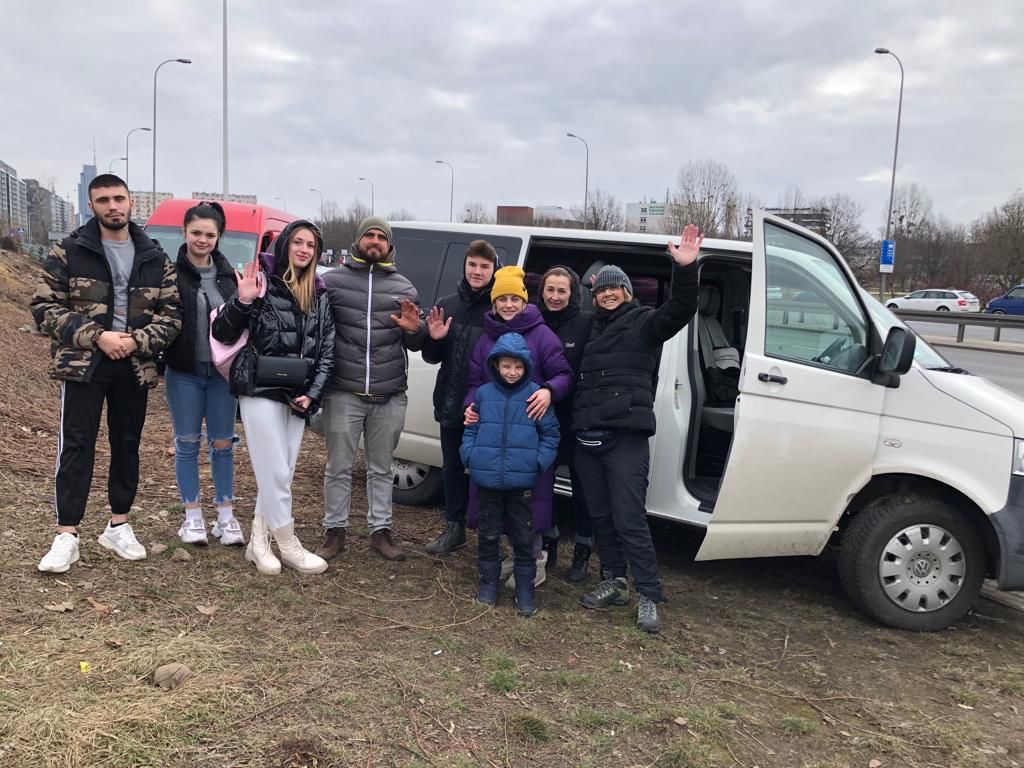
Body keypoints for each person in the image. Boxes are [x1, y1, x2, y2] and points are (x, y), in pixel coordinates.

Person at [32, 174, 182, 573]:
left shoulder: (154, 256)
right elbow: (44, 307)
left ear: (131, 202)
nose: (112, 206)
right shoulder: (70, 251)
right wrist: (98, 336)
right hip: (84, 364)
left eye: (118, 198)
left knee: (127, 443)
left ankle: (119, 525)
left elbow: (172, 316)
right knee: (76, 444)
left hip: (134, 365)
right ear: (91, 205)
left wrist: (136, 341)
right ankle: (67, 534)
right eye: (103, 200)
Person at [573, 225, 703, 633]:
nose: (608, 294)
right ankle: (615, 581)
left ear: (628, 292)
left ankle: (649, 593)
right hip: (587, 436)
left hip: (625, 437)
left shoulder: (645, 322)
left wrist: (686, 268)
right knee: (600, 515)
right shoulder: (588, 328)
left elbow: (680, 309)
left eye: (615, 288)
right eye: (602, 290)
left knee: (629, 517)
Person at [211, 220, 335, 575]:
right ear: (284, 246)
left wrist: (313, 393)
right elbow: (222, 332)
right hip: (259, 387)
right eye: (297, 242)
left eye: (310, 245)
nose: (304, 249)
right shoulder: (262, 283)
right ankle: (288, 541)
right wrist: (243, 301)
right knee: (276, 470)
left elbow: (327, 350)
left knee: (281, 471)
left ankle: (258, 542)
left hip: (298, 394)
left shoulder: (319, 295)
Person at [318, 217, 425, 562]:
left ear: (389, 245)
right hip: (344, 392)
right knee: (338, 467)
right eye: (370, 235)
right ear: (359, 240)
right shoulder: (331, 282)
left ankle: (380, 532)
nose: (375, 241)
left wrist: (415, 330)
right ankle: (335, 532)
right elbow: (317, 329)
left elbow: (417, 342)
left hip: (388, 394)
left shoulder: (404, 288)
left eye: (381, 236)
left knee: (382, 469)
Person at [463, 265, 573, 586]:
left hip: (528, 435)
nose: (509, 305)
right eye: (503, 299)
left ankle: (534, 559)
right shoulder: (486, 338)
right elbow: (475, 381)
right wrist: (470, 406)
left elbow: (564, 375)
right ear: (494, 303)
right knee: (497, 500)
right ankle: (511, 556)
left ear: (525, 302)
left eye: (515, 299)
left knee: (529, 504)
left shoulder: (542, 335)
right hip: (494, 435)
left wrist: (548, 390)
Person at [161, 201, 243, 546]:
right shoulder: (168, 274)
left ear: (218, 236)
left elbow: (240, 320)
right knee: (187, 443)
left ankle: (225, 515)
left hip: (222, 375)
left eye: (210, 234)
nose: (202, 240)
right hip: (184, 372)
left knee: (223, 444)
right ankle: (192, 516)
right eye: (196, 232)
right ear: (184, 232)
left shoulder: (229, 277)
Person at [461, 333, 561, 615]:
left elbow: (551, 434)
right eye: (506, 366)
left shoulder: (535, 395)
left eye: (518, 366)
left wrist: (537, 462)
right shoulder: (483, 394)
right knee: (488, 534)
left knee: (524, 536)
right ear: (496, 365)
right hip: (487, 480)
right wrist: (470, 455)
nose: (512, 372)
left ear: (526, 366)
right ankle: (488, 584)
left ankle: (525, 589)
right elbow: (471, 428)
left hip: (522, 483)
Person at [421, 240, 499, 555]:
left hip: (485, 406)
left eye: (484, 266)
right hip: (451, 401)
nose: (477, 271)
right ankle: (454, 529)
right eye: (472, 265)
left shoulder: (499, 307)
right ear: (465, 266)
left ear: (494, 269)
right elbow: (431, 356)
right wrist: (434, 339)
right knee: (452, 468)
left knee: (485, 470)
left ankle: (489, 535)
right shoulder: (447, 304)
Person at [535, 266, 595, 581]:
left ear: (573, 294)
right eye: (550, 290)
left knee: (583, 489)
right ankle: (550, 539)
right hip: (543, 418)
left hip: (578, 418)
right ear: (541, 291)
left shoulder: (586, 322)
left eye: (562, 291)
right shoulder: (533, 320)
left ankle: (583, 550)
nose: (555, 296)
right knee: (544, 486)